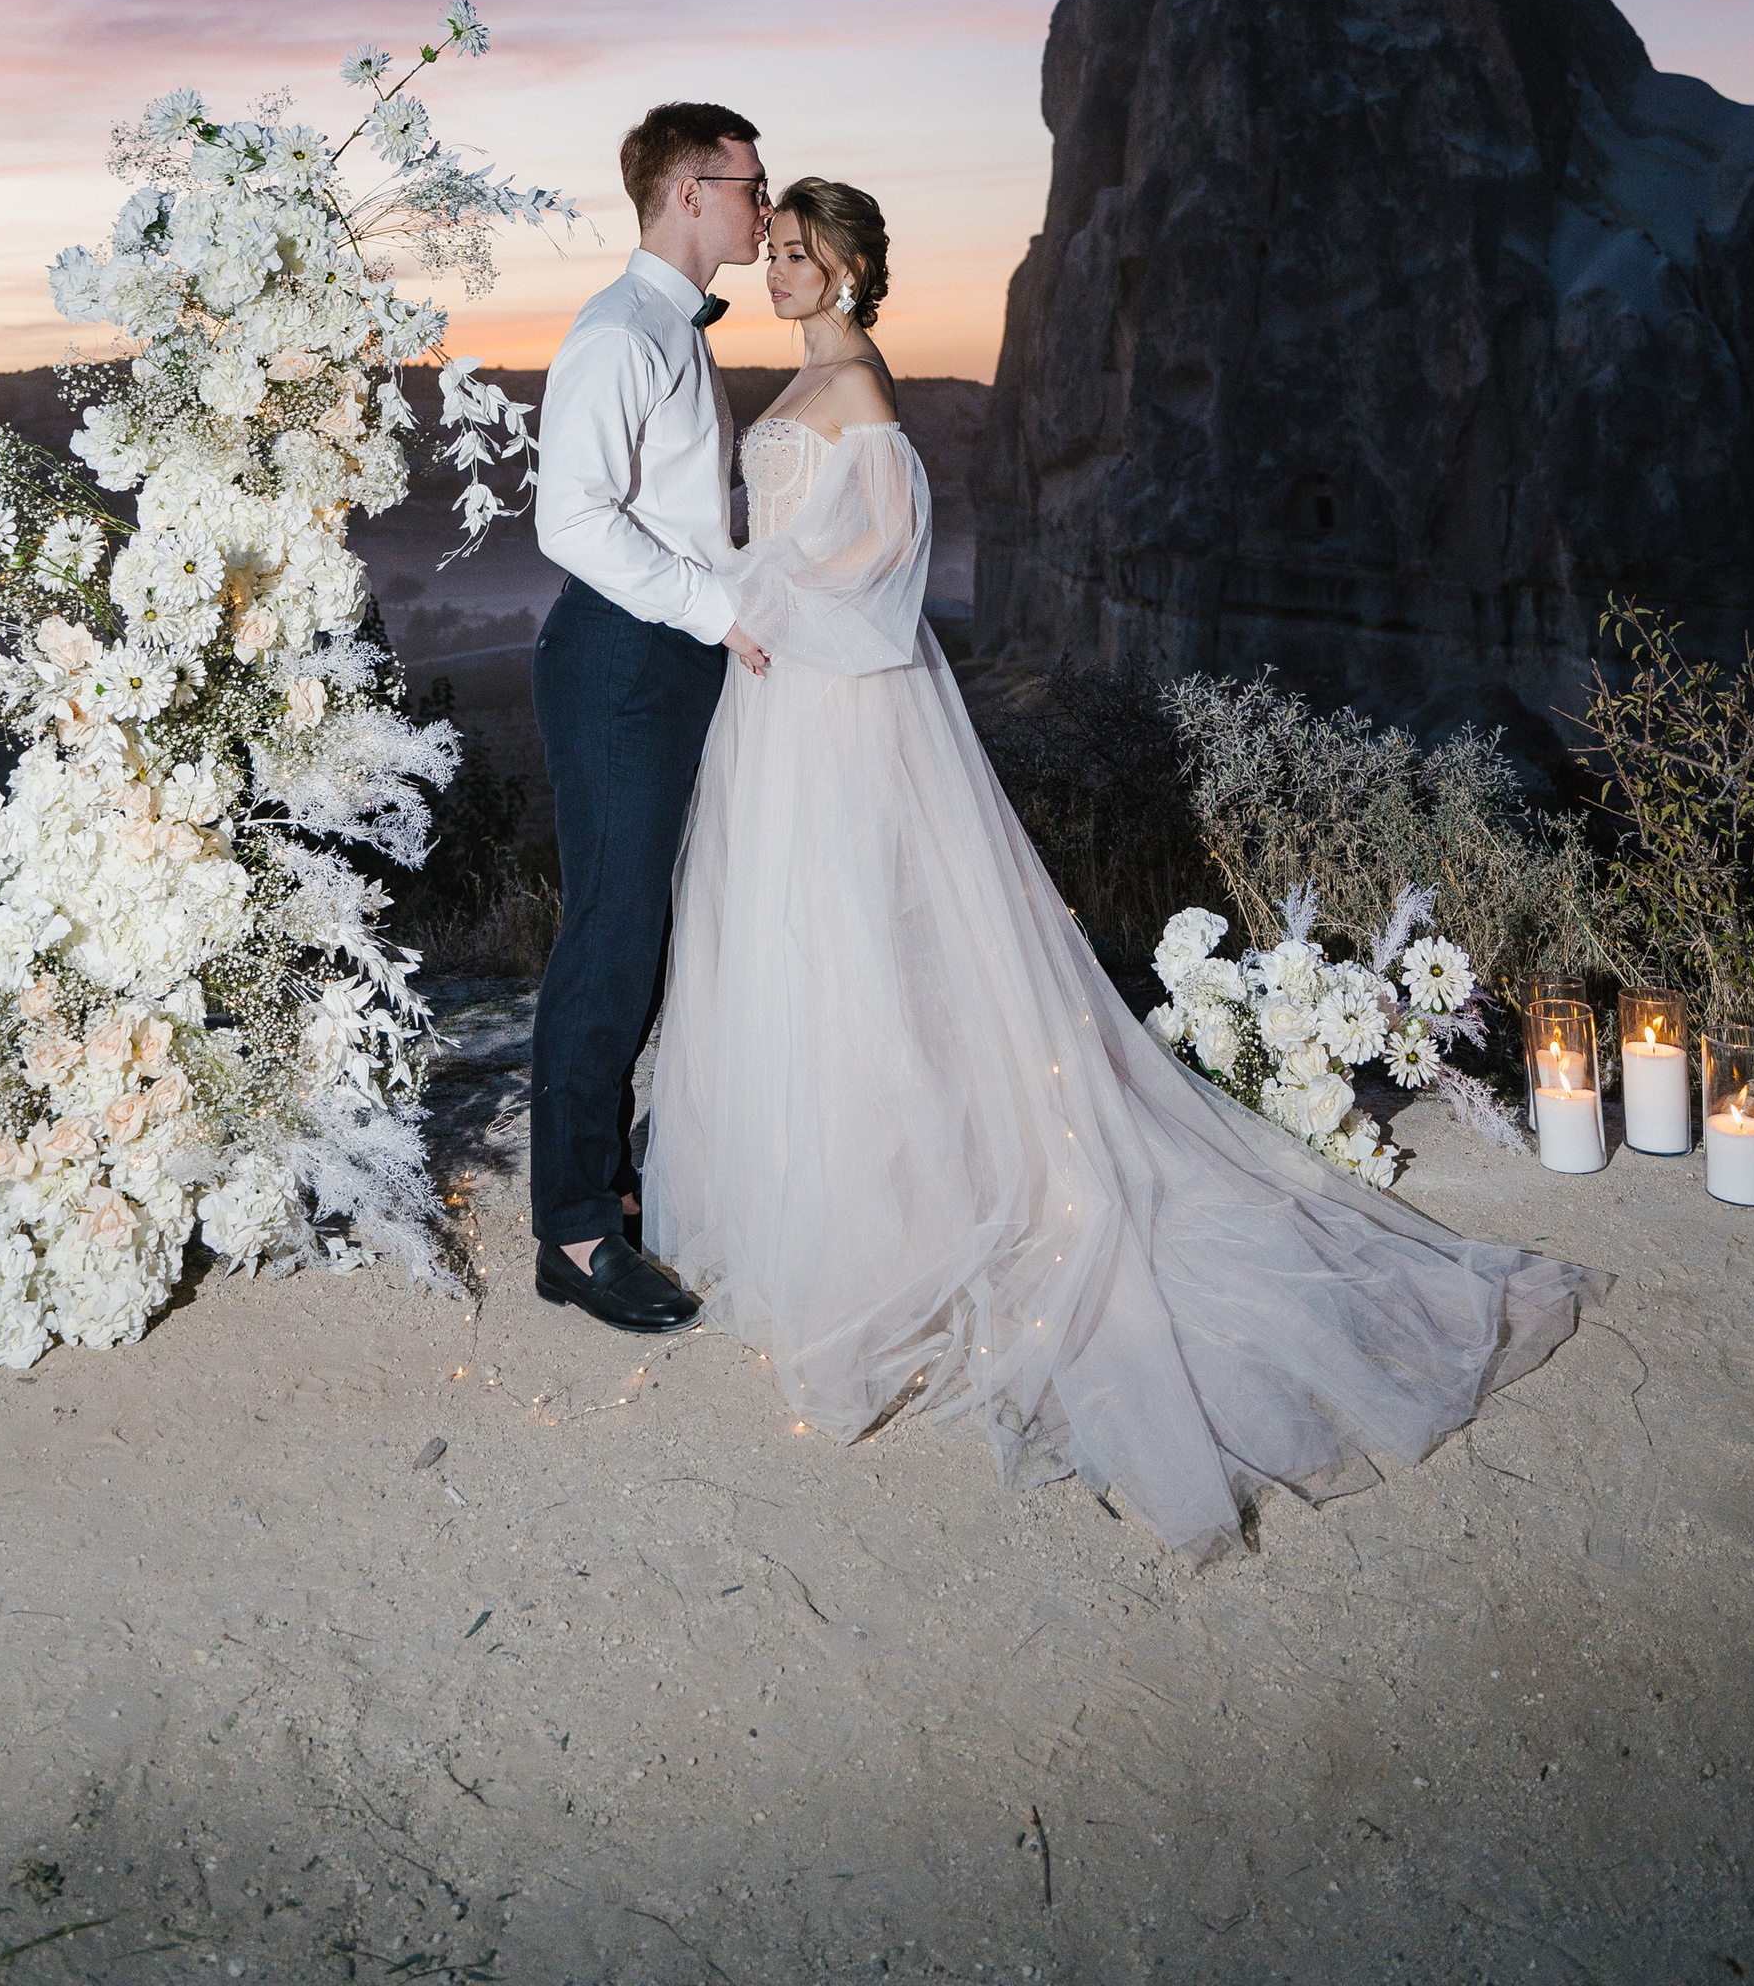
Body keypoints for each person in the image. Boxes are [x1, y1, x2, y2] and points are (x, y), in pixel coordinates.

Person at [643, 176, 1607, 1568]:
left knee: (853, 928)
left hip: (838, 702)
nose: (780, 272)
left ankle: (894, 1216)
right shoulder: (810, 378)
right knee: (799, 937)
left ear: (851, 270)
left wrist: (768, 600)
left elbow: (892, 555)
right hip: (783, 700)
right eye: (774, 252)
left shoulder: (856, 383)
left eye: (802, 256)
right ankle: (827, 1187)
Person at [527, 100, 775, 1334]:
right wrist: (709, 608)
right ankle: (572, 1231)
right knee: (611, 935)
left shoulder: (674, 330)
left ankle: (609, 1197)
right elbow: (568, 520)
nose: (762, 207)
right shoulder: (620, 332)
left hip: (667, 652)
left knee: (652, 929)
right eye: (746, 185)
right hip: (623, 660)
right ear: (688, 191)